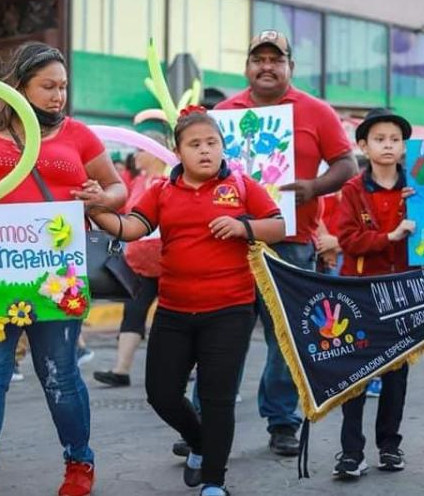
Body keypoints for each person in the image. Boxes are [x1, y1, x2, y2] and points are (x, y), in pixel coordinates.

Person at [0, 42, 126, 496]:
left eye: (64, 87)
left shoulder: (79, 135)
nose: (58, 97)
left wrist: (100, 197)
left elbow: (118, 191)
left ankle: (79, 464)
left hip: (56, 278)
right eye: (47, 86)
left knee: (59, 374)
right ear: (17, 87)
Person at [89, 107, 285, 496]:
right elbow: (131, 227)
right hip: (174, 310)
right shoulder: (162, 190)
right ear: (178, 152)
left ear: (223, 147)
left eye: (212, 143)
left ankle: (214, 481)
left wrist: (243, 226)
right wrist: (95, 209)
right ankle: (198, 442)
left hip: (230, 310)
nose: (205, 151)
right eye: (195, 144)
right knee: (161, 394)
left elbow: (278, 226)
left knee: (217, 399)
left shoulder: (243, 186)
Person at [215, 29, 356, 456]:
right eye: (258, 59)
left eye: (276, 59)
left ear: (290, 67)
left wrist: (314, 187)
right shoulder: (223, 113)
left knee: (286, 338)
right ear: (247, 68)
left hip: (293, 243)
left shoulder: (316, 111)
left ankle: (281, 420)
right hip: (231, 241)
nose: (267, 66)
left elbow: (347, 163)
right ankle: (207, 420)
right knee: (224, 336)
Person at [330, 108, 414, 479]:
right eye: (379, 139)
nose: (388, 146)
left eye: (395, 140)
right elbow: (346, 239)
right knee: (356, 373)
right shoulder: (352, 190)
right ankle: (351, 451)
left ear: (404, 147)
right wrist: (388, 237)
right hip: (359, 292)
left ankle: (390, 446)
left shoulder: (418, 186)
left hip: (403, 292)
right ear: (362, 145)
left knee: (397, 372)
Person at [94, 147, 168, 387]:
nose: (135, 156)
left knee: (173, 318)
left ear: (156, 153)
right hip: (138, 263)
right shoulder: (136, 182)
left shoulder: (168, 182)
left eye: (140, 151)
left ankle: (182, 367)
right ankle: (121, 370)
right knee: (133, 313)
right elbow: (126, 215)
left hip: (169, 263)